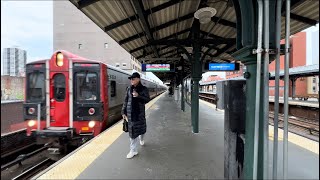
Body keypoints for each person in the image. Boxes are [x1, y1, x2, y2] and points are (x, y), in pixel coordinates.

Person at [121, 72, 150, 159]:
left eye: (133, 79)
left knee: (142, 130)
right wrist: (123, 112)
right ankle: (133, 150)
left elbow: (147, 99)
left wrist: (138, 96)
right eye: (131, 79)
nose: (131, 80)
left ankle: (141, 139)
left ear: (138, 79)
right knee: (132, 133)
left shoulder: (144, 89)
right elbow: (125, 100)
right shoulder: (129, 89)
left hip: (139, 114)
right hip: (130, 114)